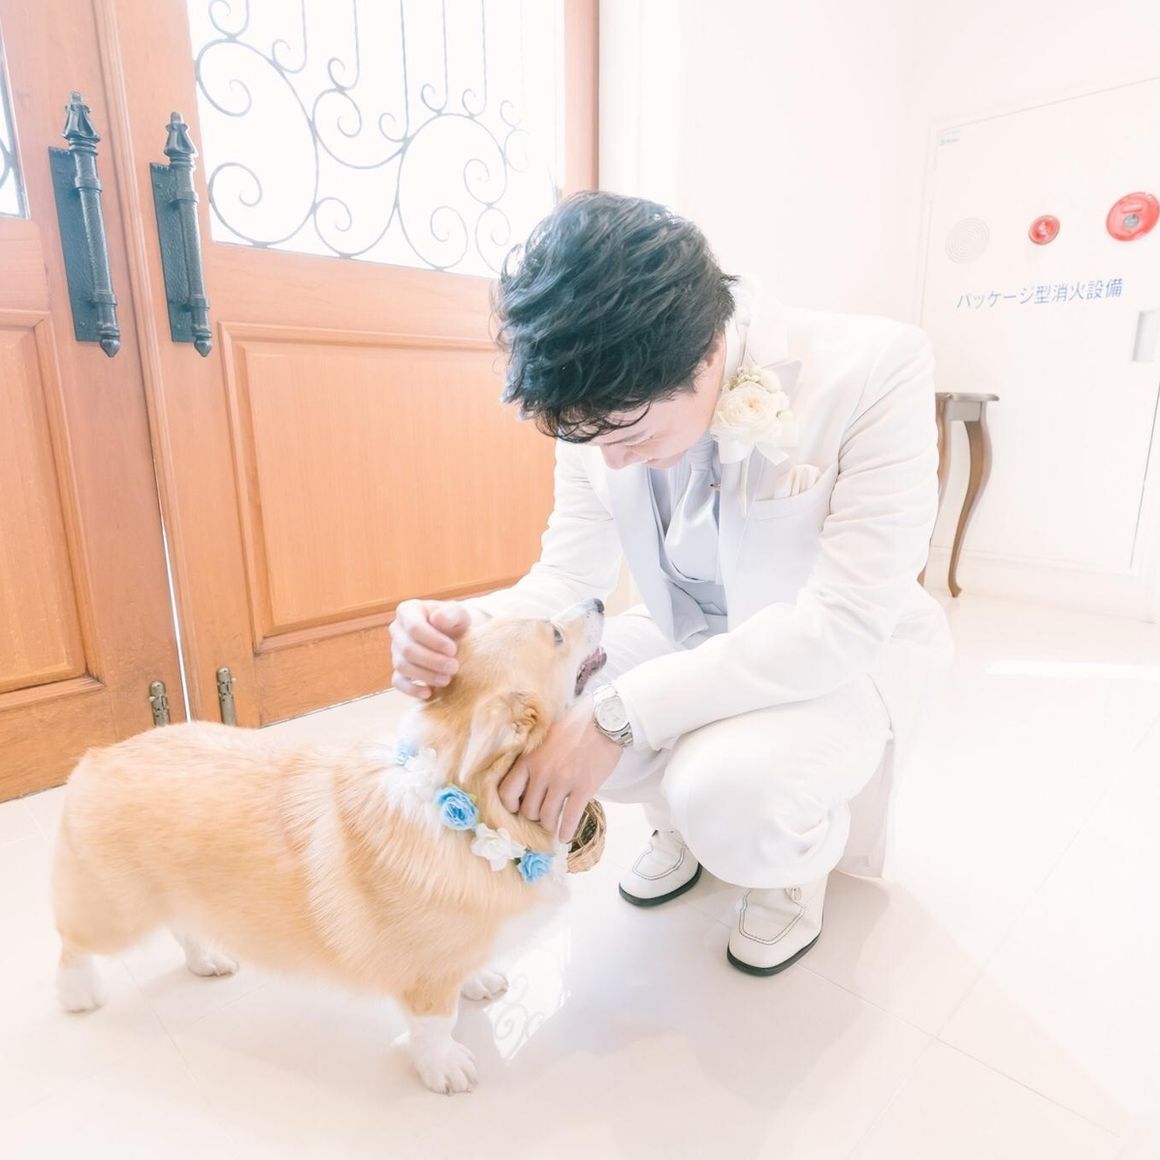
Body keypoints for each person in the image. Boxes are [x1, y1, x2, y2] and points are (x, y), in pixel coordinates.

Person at [389, 192, 953, 976]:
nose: (613, 462)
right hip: (687, 631)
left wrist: (618, 717)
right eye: (590, 440)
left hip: (834, 656)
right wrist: (461, 627)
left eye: (632, 435)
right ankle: (678, 819)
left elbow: (844, 619)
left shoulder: (876, 368)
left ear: (707, 356)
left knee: (728, 790)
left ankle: (787, 865)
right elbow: (567, 575)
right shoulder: (600, 410)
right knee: (519, 712)